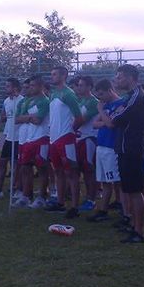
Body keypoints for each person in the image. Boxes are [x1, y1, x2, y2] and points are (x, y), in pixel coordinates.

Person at [106, 64, 144, 243]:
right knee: (129, 189)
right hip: (126, 148)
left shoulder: (136, 97)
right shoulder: (130, 96)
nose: (117, 80)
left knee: (134, 190)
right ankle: (133, 225)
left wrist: (114, 114)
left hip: (132, 148)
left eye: (120, 77)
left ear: (130, 77)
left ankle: (139, 231)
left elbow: (115, 119)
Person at [45, 66, 84, 218]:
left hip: (66, 138)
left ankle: (75, 206)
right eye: (51, 74)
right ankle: (60, 202)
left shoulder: (69, 94)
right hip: (54, 138)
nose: (52, 76)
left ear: (64, 76)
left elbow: (79, 117)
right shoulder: (54, 94)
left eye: (55, 74)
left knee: (71, 173)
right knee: (58, 171)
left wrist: (71, 131)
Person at [87, 79, 124, 223]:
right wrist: (105, 119)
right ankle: (104, 209)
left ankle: (118, 208)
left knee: (115, 180)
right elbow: (95, 124)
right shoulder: (106, 105)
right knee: (105, 181)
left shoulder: (119, 104)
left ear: (110, 90)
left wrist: (102, 112)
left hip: (111, 147)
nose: (100, 98)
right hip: (101, 146)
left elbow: (111, 124)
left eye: (101, 94)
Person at [13, 75, 50, 209]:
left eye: (33, 86)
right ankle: (26, 195)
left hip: (42, 137)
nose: (30, 88)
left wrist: (26, 118)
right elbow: (17, 119)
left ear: (40, 86)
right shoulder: (29, 101)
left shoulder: (45, 101)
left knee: (42, 168)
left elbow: (38, 120)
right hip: (29, 138)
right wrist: (29, 117)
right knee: (25, 166)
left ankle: (42, 196)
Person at [0, 78, 24, 198]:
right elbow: (3, 116)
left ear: (15, 88)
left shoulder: (22, 101)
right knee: (3, 162)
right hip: (9, 136)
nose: (6, 88)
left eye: (8, 86)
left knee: (16, 165)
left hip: (18, 137)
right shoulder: (6, 101)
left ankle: (16, 187)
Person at [75, 76, 99, 211]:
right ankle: (86, 196)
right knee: (81, 169)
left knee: (89, 170)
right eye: (78, 85)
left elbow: (81, 120)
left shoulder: (93, 102)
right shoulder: (81, 101)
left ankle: (91, 199)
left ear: (90, 87)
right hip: (80, 138)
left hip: (89, 139)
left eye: (82, 85)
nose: (79, 87)